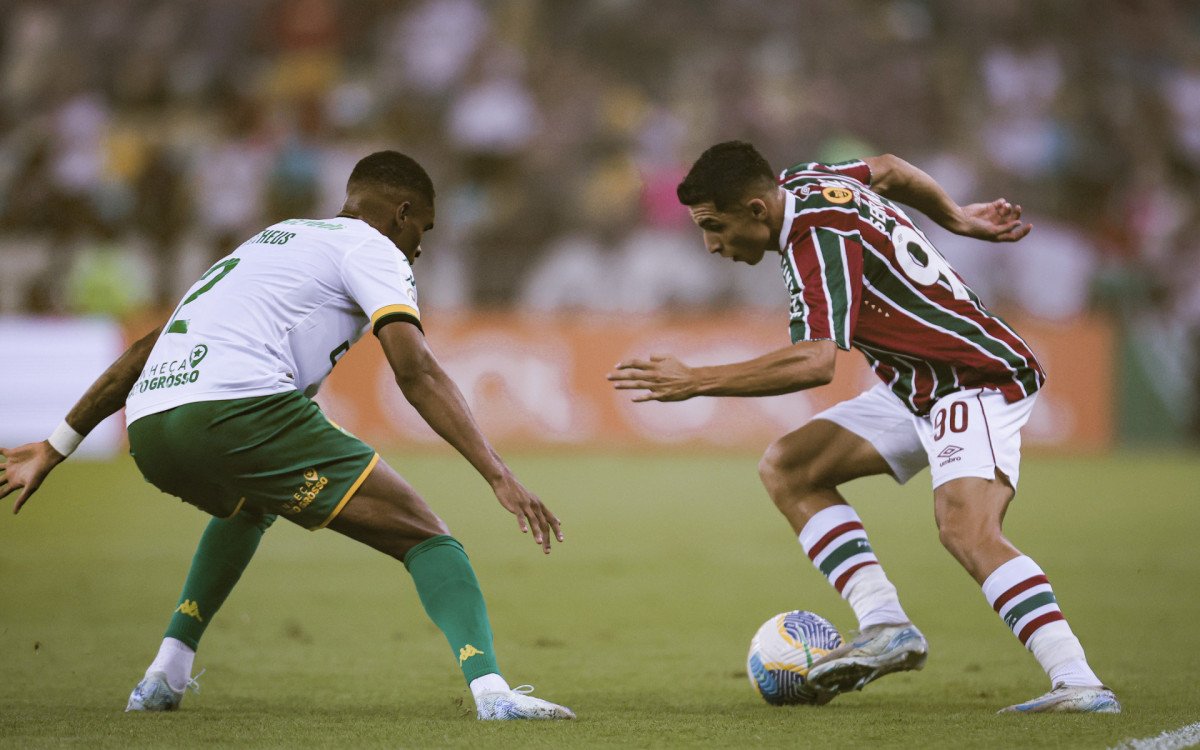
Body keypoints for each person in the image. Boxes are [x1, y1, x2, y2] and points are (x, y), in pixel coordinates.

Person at [0, 150, 574, 721]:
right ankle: (493, 694)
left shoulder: (274, 239)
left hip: (152, 428)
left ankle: (165, 672)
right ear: (401, 213)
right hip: (239, 411)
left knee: (251, 504)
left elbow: (146, 347)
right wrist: (498, 473)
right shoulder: (372, 247)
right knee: (427, 538)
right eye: (422, 228)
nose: (419, 247)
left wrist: (56, 447)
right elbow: (415, 370)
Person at [607, 141, 1118, 714]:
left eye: (713, 225)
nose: (711, 244)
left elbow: (815, 362)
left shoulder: (815, 243)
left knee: (965, 529)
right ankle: (886, 626)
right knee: (789, 467)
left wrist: (697, 380)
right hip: (913, 384)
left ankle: (1079, 683)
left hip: (972, 378)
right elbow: (891, 170)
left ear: (756, 209)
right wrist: (955, 218)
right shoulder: (807, 180)